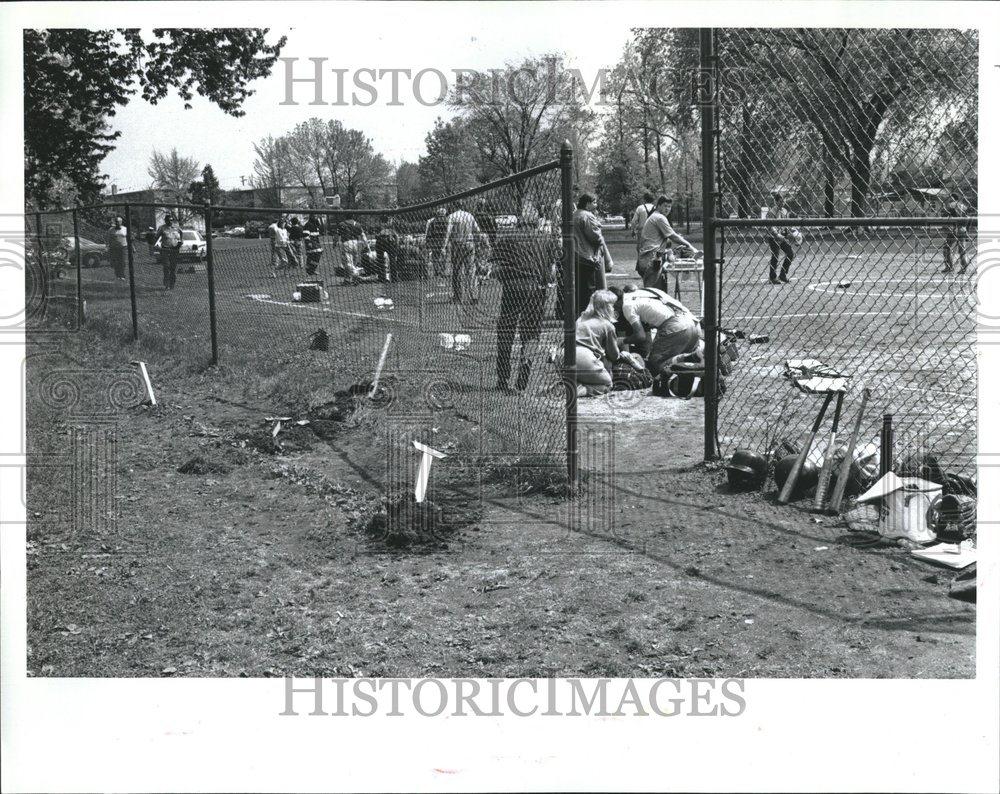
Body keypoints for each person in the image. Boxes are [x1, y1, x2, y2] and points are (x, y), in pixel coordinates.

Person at [493, 219, 559, 392]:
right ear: (535, 223)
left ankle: (502, 379)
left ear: (519, 224)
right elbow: (552, 270)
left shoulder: (508, 237)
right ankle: (523, 379)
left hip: (513, 287)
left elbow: (496, 267)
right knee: (530, 334)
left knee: (506, 332)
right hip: (536, 288)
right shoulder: (546, 238)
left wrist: (505, 277)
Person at [613, 285, 701, 379]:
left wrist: (621, 341)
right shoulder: (644, 291)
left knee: (655, 365)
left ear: (616, 301)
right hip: (693, 323)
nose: (615, 310)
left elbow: (640, 336)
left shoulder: (627, 305)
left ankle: (684, 359)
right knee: (688, 364)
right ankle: (689, 360)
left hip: (676, 326)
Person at [572, 289, 640, 397]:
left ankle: (573, 383)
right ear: (606, 307)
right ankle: (580, 390)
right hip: (583, 357)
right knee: (607, 384)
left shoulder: (581, 318)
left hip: (564, 355)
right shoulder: (607, 325)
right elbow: (613, 355)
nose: (614, 308)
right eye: (612, 306)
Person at [636, 195, 699, 287]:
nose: (667, 209)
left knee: (678, 250)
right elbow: (673, 236)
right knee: (652, 292)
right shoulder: (659, 218)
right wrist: (690, 245)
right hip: (652, 258)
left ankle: (687, 266)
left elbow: (667, 239)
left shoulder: (653, 217)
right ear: (658, 206)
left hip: (649, 257)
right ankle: (690, 262)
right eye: (665, 206)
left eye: (669, 206)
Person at [572, 193, 614, 319]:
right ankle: (592, 315)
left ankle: (580, 315)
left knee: (581, 290)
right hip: (589, 257)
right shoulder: (587, 216)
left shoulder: (574, 214)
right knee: (592, 289)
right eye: (594, 202)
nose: (596, 205)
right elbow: (595, 238)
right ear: (588, 203)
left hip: (577, 255)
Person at [442, 202, 483, 303]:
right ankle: (474, 296)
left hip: (457, 244)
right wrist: (477, 243)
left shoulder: (451, 216)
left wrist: (444, 246)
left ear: (453, 206)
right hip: (469, 243)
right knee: (471, 270)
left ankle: (458, 296)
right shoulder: (469, 215)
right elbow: (477, 231)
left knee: (457, 270)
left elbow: (448, 232)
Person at [765, 191, 794, 284]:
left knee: (790, 254)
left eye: (783, 201)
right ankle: (772, 277)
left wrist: (790, 233)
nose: (782, 203)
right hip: (773, 238)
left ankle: (782, 275)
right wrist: (777, 235)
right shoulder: (771, 212)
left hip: (782, 237)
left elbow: (786, 225)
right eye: (780, 201)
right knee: (775, 256)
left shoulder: (785, 211)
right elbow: (770, 226)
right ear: (776, 202)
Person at [942, 190, 970, 274]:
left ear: (952, 198)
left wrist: (945, 227)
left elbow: (946, 217)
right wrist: (967, 232)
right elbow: (967, 219)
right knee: (962, 250)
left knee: (946, 248)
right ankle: (964, 268)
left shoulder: (951, 205)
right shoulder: (964, 206)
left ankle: (949, 266)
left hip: (953, 229)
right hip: (962, 229)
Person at [154, 213, 182, 290]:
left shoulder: (176, 228)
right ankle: (166, 283)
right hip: (165, 249)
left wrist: (180, 241)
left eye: (171, 220)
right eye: (168, 220)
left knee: (173, 267)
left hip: (174, 250)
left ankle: (172, 284)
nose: (170, 222)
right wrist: (156, 245)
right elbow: (156, 237)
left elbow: (181, 233)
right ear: (165, 221)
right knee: (166, 266)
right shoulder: (162, 228)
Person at [375, 216, 401, 282]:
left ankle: (382, 277)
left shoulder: (379, 226)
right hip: (390, 243)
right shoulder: (391, 225)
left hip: (382, 242)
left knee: (382, 260)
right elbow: (396, 236)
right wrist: (396, 244)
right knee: (392, 260)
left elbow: (377, 235)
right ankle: (394, 277)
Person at [424, 207, 449, 278]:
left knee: (435, 257)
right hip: (444, 241)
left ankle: (437, 272)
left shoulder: (433, 221)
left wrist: (428, 242)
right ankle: (443, 272)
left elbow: (429, 233)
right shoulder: (447, 220)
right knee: (444, 257)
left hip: (435, 242)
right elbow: (448, 232)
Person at [107, 215, 128, 281]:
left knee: (122, 261)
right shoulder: (111, 230)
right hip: (114, 248)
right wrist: (108, 246)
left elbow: (129, 238)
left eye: (119, 222)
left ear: (121, 222)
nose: (117, 223)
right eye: (116, 222)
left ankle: (122, 276)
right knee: (116, 262)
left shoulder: (125, 229)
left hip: (123, 247)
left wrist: (132, 247)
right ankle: (117, 275)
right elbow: (109, 239)